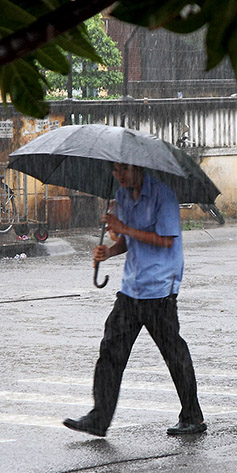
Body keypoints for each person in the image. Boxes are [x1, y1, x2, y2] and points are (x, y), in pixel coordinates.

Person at [63, 162, 206, 437]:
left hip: (159, 289)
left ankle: (193, 417)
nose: (119, 175)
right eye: (115, 170)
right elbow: (129, 241)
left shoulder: (163, 196)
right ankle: (99, 418)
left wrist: (123, 226)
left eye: (123, 170)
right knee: (110, 351)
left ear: (139, 168)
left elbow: (165, 240)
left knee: (174, 354)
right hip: (131, 288)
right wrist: (109, 251)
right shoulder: (122, 196)